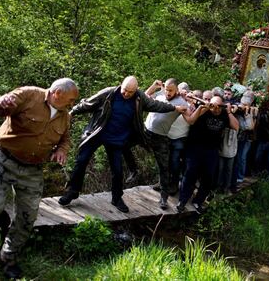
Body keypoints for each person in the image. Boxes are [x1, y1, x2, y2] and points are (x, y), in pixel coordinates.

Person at [0, 78, 79, 279]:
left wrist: (61, 150)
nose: (72, 104)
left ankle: (8, 257)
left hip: (33, 169)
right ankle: (0, 216)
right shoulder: (28, 95)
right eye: (70, 100)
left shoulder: (64, 116)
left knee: (27, 217)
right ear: (57, 93)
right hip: (2, 159)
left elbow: (66, 139)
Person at [58, 76, 186, 213]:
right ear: (121, 86)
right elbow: (87, 103)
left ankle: (117, 198)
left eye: (130, 92)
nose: (126, 94)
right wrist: (72, 112)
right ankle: (72, 191)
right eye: (125, 90)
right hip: (98, 133)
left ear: (136, 90)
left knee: (117, 170)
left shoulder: (139, 98)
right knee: (81, 161)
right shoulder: (109, 93)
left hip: (117, 139)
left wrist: (174, 108)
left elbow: (157, 105)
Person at [177, 96, 239, 213]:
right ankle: (183, 200)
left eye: (219, 107)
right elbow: (192, 120)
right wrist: (204, 108)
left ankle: (198, 201)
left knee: (208, 177)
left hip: (212, 150)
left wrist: (229, 111)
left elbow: (236, 126)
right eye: (213, 107)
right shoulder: (203, 111)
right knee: (190, 173)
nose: (216, 110)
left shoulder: (224, 114)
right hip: (195, 147)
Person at [144, 78, 188, 209]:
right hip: (145, 131)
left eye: (171, 90)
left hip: (161, 137)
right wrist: (154, 86)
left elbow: (190, 119)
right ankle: (133, 169)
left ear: (177, 90)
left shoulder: (181, 102)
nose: (168, 92)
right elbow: (145, 97)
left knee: (164, 167)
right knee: (124, 143)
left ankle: (164, 198)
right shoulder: (161, 94)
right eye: (167, 89)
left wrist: (200, 108)